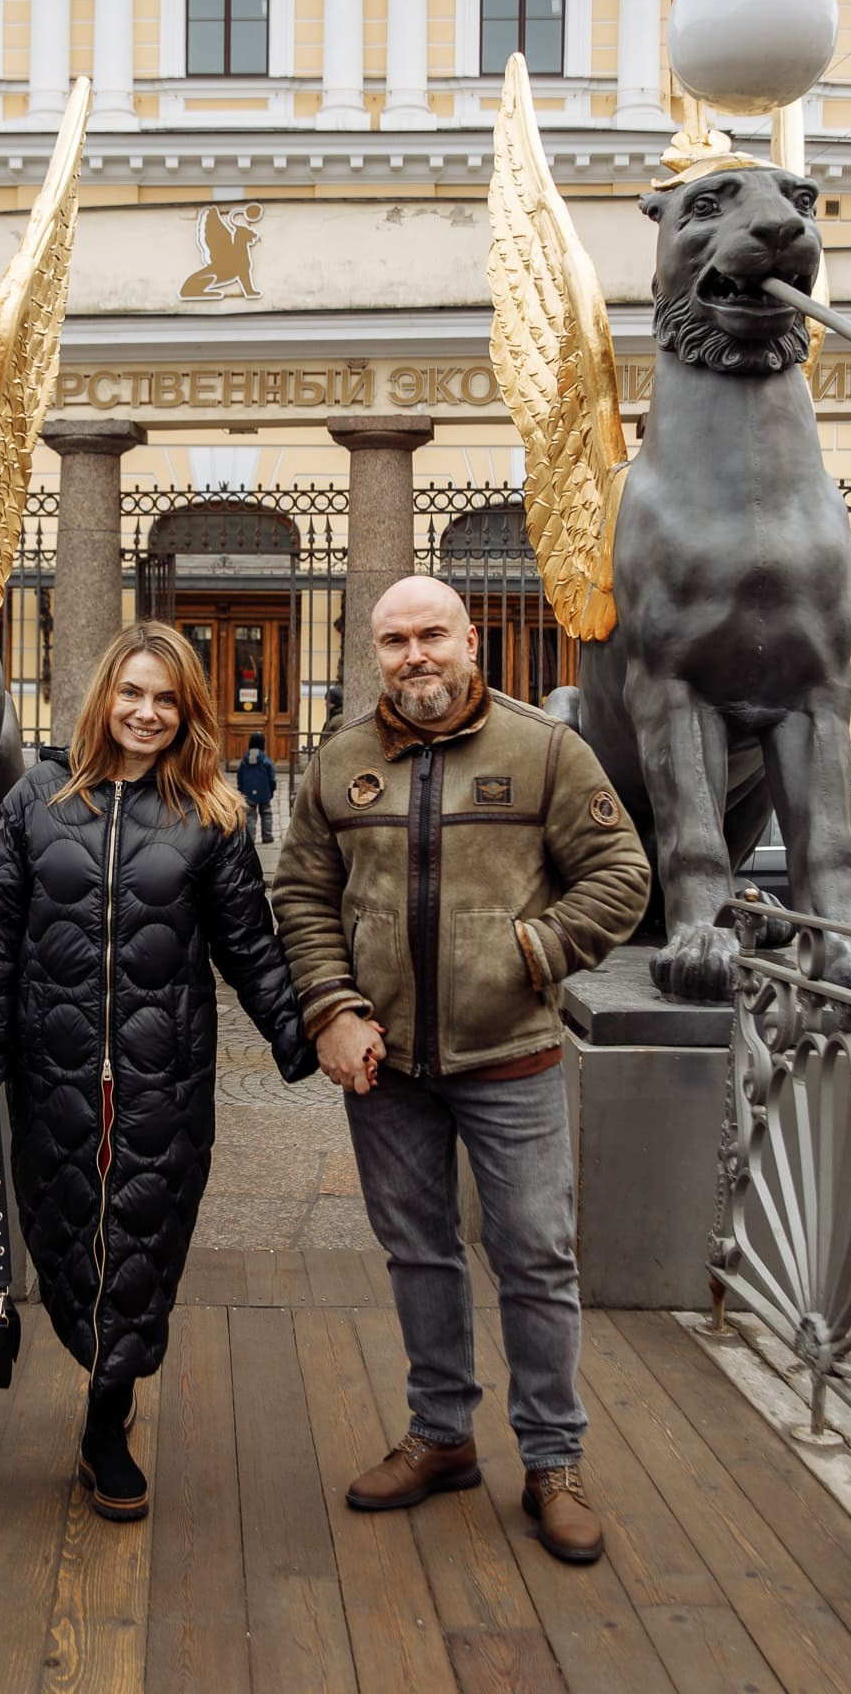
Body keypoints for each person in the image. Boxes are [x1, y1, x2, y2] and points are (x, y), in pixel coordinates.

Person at [272, 576, 650, 1565]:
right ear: (376, 652)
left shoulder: (545, 749)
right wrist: (332, 1007)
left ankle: (552, 1460)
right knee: (419, 1251)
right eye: (394, 640)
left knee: (534, 1255)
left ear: (469, 640)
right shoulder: (341, 760)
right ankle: (441, 1434)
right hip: (386, 1064)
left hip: (510, 1057)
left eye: (431, 634)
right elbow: (302, 896)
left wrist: (532, 952)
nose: (414, 655)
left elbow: (621, 875)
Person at [0, 622, 314, 1523]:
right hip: (54, 1074)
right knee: (66, 1233)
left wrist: (306, 1040)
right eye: (133, 693)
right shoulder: (36, 800)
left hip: (163, 1083)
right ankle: (100, 1367)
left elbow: (249, 947)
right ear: (104, 695)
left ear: (188, 713)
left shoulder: (209, 815)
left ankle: (106, 1415)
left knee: (144, 1247)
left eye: (167, 700)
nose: (147, 713)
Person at [235, 729, 278, 843]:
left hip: (248, 793)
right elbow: (272, 778)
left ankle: (251, 838)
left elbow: (240, 776)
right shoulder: (265, 760)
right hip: (264, 792)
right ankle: (267, 836)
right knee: (266, 813)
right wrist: (272, 789)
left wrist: (241, 789)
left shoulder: (244, 760)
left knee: (250, 816)